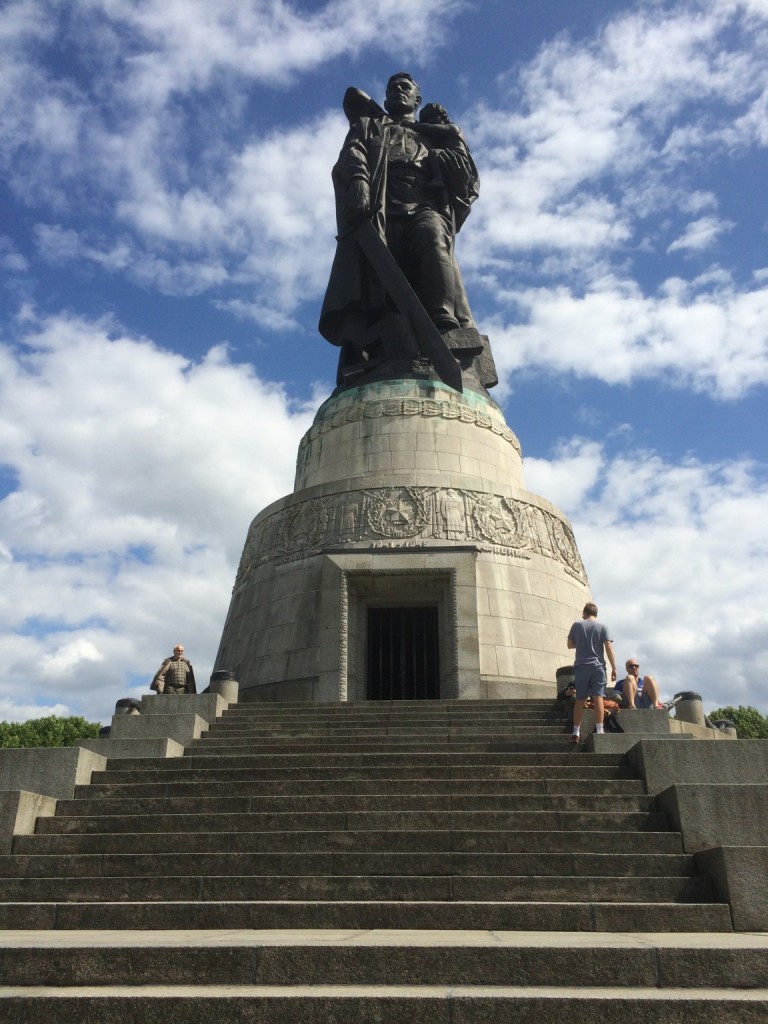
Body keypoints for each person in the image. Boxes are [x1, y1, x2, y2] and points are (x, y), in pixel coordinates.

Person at [319, 72, 481, 378]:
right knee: (381, 276)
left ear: (416, 99)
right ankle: (386, 340)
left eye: (405, 88)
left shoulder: (433, 133)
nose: (398, 91)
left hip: (423, 203)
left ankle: (443, 321)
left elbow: (466, 176)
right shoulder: (368, 126)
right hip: (380, 205)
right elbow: (353, 153)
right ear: (385, 98)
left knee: (432, 236)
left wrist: (448, 158)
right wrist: (358, 181)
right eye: (392, 87)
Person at [566, 602, 617, 742]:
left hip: (582, 666)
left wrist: (582, 643)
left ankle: (576, 732)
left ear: (584, 613)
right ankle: (600, 730)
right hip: (598, 667)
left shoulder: (577, 625)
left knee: (580, 700)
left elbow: (569, 645)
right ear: (596, 614)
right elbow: (608, 647)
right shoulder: (603, 627)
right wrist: (614, 667)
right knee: (598, 697)